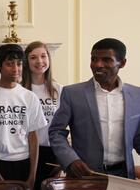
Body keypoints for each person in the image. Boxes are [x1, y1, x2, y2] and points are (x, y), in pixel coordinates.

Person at [49, 38, 140, 179]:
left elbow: (137, 137)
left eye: (106, 60)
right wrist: (71, 160)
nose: (97, 65)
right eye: (93, 59)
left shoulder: (136, 95)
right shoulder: (72, 93)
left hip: (124, 177)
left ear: (122, 63)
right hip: (84, 176)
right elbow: (56, 132)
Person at [0, 44, 47, 190]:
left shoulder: (29, 97)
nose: (15, 69)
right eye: (9, 64)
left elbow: (33, 137)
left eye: (19, 64)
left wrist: (32, 175)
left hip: (25, 162)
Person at [22, 41, 63, 190]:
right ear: (27, 62)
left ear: (49, 59)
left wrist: (63, 158)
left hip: (51, 152)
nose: (39, 61)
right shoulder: (21, 90)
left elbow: (63, 126)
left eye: (43, 56)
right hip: (27, 152)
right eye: (33, 57)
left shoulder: (59, 90)